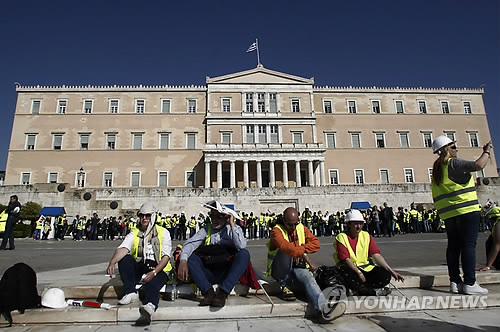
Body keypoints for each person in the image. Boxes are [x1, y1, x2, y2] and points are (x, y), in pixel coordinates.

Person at [431, 135, 492, 295]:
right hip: (466, 209)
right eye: (453, 146)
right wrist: (487, 152)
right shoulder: (453, 163)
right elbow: (478, 165)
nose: (456, 149)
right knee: (468, 245)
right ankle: (470, 282)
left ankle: (455, 281)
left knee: (453, 246)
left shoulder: (437, 167)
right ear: (446, 149)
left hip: (449, 212)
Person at [267, 207, 346, 323]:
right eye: (290, 225)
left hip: (298, 267)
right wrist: (304, 255)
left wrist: (300, 250)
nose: (293, 227)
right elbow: (285, 247)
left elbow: (316, 244)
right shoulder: (276, 231)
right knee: (284, 252)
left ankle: (323, 311)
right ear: (284, 221)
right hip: (281, 271)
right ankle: (284, 286)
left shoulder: (301, 228)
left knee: (309, 280)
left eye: (296, 223)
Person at [106, 202, 172, 326]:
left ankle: (150, 306)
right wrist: (112, 262)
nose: (144, 218)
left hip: (159, 268)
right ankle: (130, 292)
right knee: (125, 259)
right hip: (142, 264)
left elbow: (166, 257)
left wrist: (154, 272)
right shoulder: (135, 233)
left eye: (147, 215)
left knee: (152, 285)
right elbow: (123, 248)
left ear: (153, 217)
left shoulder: (164, 233)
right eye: (142, 215)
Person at [177, 200, 249, 308]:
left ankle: (222, 293)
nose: (214, 220)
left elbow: (241, 246)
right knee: (191, 257)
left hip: (226, 271)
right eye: (212, 216)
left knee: (244, 254)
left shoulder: (232, 229)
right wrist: (183, 260)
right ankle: (208, 292)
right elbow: (190, 244)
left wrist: (232, 225)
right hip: (209, 270)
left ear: (225, 217)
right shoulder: (206, 229)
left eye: (218, 217)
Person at [334, 209, 404, 296]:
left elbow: (376, 255)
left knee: (385, 275)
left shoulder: (366, 236)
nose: (358, 226)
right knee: (346, 274)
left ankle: (358, 289)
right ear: (348, 224)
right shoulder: (341, 237)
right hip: (350, 269)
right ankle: (372, 291)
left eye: (361, 224)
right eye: (355, 224)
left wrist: (391, 271)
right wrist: (358, 272)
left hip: (365, 269)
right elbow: (346, 259)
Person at [478, 200, 500, 271]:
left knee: (491, 243)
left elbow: (497, 244)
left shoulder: (498, 223)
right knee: (489, 241)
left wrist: (488, 265)